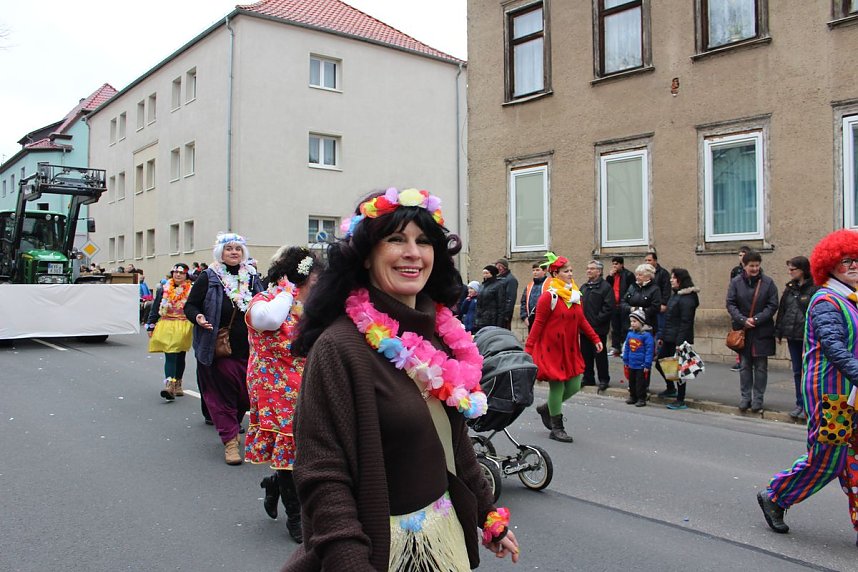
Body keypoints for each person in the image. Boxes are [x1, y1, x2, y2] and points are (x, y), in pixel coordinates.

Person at [285, 187, 519, 571]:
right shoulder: (339, 347)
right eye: (396, 239)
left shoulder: (440, 333)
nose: (413, 253)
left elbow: (453, 441)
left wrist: (486, 516)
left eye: (424, 241)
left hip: (441, 541)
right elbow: (323, 476)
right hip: (381, 551)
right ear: (365, 256)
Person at [757, 229, 858, 543]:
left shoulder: (853, 299)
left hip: (852, 393)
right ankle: (776, 495)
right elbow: (833, 346)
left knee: (854, 458)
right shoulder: (826, 300)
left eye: (856, 260)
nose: (853, 266)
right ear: (829, 266)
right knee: (828, 458)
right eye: (845, 261)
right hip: (832, 396)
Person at [246, 246, 321, 543]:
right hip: (273, 384)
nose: (318, 284)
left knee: (304, 447)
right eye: (313, 278)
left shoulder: (313, 305)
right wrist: (287, 291)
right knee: (290, 446)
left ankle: (275, 483)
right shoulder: (264, 301)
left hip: (306, 380)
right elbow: (271, 321)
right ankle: (296, 517)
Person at [185, 232, 264, 465]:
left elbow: (263, 302)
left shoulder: (251, 277)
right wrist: (198, 316)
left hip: (248, 349)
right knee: (221, 397)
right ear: (221, 252)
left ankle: (232, 425)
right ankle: (230, 441)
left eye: (237, 249)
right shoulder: (209, 277)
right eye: (229, 248)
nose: (233, 252)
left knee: (244, 396)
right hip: (219, 348)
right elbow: (191, 304)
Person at [526, 254, 602, 443]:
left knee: (575, 384)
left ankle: (547, 408)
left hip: (569, 348)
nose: (570, 274)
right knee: (558, 386)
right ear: (556, 273)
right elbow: (538, 324)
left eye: (571, 271)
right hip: (551, 349)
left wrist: (595, 338)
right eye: (566, 271)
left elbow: (581, 320)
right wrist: (528, 349)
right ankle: (557, 427)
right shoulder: (548, 297)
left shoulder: (574, 294)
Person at [726, 250, 779, 412]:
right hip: (743, 331)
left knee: (761, 367)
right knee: (745, 365)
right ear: (744, 266)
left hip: (762, 331)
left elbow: (772, 305)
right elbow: (730, 303)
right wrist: (743, 320)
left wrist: (756, 320)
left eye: (757, 265)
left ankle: (758, 399)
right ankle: (745, 397)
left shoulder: (768, 283)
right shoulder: (735, 282)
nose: (755, 269)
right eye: (751, 266)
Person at [775, 256, 819, 420]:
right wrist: (779, 331)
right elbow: (782, 310)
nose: (790, 272)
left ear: (803, 270)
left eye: (793, 269)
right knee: (796, 372)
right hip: (792, 335)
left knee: (808, 371)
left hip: (807, 336)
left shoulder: (814, 288)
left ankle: (809, 405)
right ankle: (799, 403)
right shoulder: (790, 288)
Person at [146, 263, 193, 400]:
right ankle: (169, 384)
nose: (178, 275)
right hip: (167, 322)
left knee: (180, 354)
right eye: (175, 272)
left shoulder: (191, 289)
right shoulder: (163, 289)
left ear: (186, 275)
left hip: (183, 324)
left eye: (181, 273)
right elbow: (155, 307)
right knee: (170, 353)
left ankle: (178, 382)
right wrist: (151, 324)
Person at [654, 268, 700, 410]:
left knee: (679, 369)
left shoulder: (687, 298)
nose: (671, 280)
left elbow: (685, 322)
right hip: (669, 336)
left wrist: (680, 343)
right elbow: (669, 318)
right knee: (660, 363)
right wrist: (662, 336)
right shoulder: (676, 295)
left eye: (673, 278)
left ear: (680, 280)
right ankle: (670, 388)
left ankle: (680, 399)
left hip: (678, 339)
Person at [580, 260, 614, 392]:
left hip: (598, 328)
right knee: (585, 354)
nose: (588, 271)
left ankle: (604, 379)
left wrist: (596, 320)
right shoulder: (584, 287)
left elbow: (608, 307)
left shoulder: (605, 287)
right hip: (584, 329)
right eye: (588, 268)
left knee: (600, 355)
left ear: (599, 271)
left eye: (592, 269)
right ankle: (588, 377)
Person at [623, 309, 655, 407]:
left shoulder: (646, 336)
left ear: (641, 322)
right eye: (631, 321)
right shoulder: (630, 334)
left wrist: (647, 364)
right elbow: (627, 347)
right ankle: (633, 396)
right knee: (631, 381)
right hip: (632, 363)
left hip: (641, 364)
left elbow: (649, 351)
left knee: (640, 383)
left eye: (634, 321)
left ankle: (641, 398)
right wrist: (626, 359)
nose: (632, 324)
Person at [729, 246, 752, 371]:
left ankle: (750, 360)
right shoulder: (736, 271)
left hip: (749, 308)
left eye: (744, 254)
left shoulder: (754, 270)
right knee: (738, 336)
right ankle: (740, 360)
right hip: (738, 309)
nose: (741, 257)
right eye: (740, 255)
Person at [606, 256, 635, 356]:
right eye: (613, 264)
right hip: (614, 304)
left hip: (624, 304)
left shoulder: (628, 275)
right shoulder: (612, 276)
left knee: (625, 326)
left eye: (616, 264)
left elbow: (631, 289)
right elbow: (607, 287)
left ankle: (625, 346)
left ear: (621, 265)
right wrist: (610, 277)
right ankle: (615, 347)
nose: (614, 266)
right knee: (615, 327)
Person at [645, 251, 671, 339]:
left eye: (649, 260)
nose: (647, 262)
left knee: (660, 329)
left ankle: (659, 349)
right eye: (646, 260)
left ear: (655, 261)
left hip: (659, 306)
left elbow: (666, 289)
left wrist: (664, 303)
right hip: (649, 306)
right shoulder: (645, 274)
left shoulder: (663, 273)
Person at [474, 264, 506, 332]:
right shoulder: (482, 286)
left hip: (491, 319)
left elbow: (501, 305)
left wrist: (499, 323)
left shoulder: (498, 285)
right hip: (480, 319)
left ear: (492, 273)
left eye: (486, 273)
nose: (484, 275)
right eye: (483, 273)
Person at [519, 262, 547, 332]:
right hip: (531, 320)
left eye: (537, 270)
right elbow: (523, 302)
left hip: (546, 320)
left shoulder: (550, 283)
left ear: (544, 271)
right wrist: (524, 317)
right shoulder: (529, 286)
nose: (535, 272)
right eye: (533, 270)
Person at [495, 258, 518, 329]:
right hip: (497, 313)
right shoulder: (498, 278)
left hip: (504, 314)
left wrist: (507, 315)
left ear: (503, 267)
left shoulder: (511, 280)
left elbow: (511, 298)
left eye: (498, 266)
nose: (497, 268)